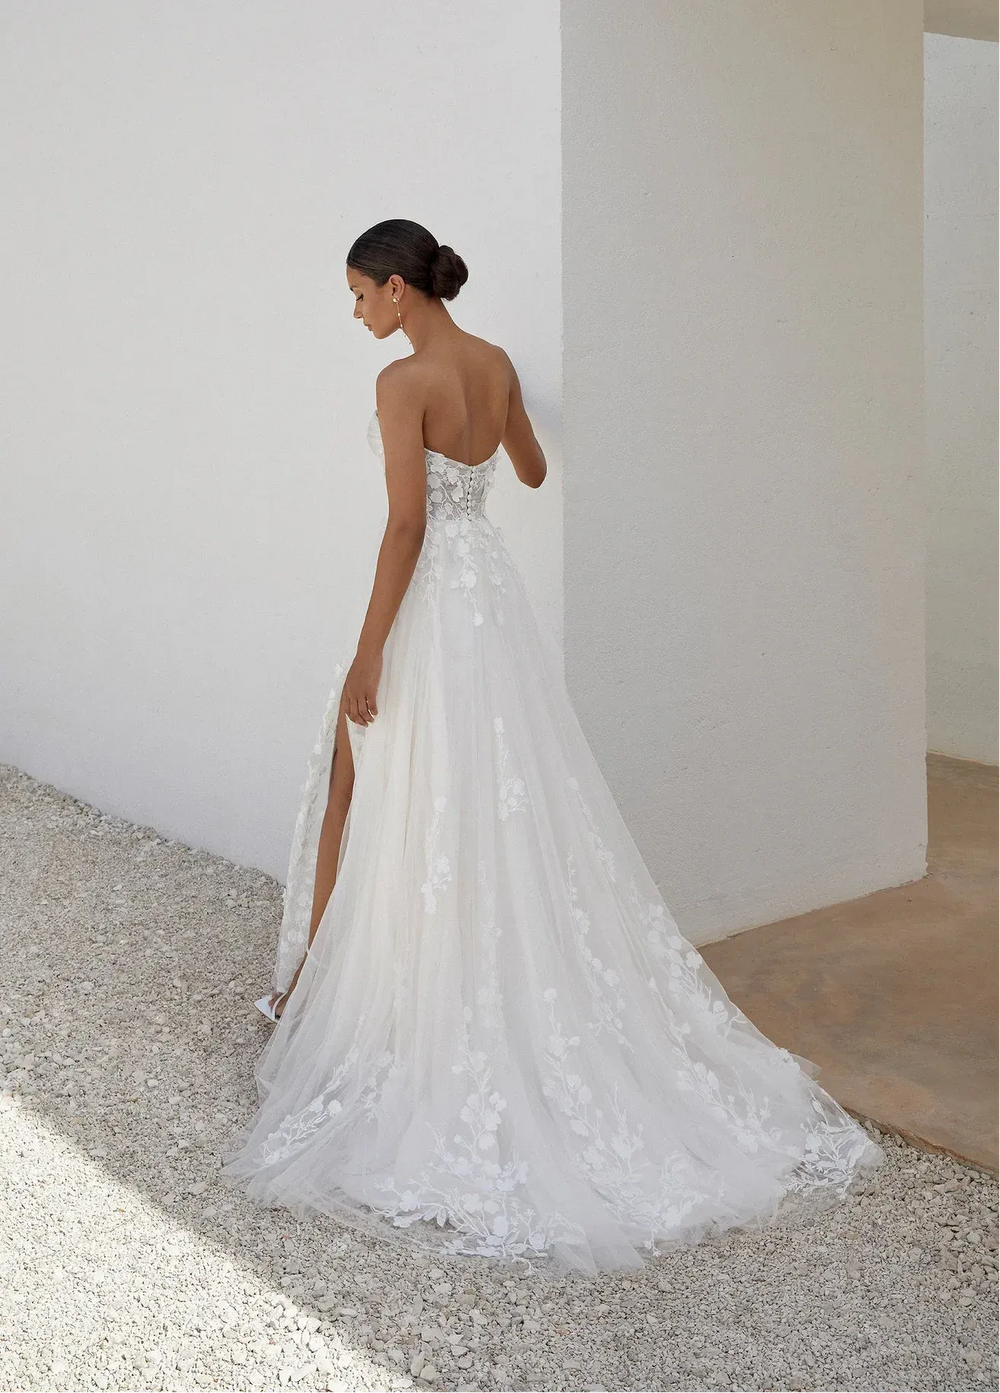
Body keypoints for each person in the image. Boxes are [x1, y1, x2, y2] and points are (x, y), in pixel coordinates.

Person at [219, 219, 883, 1277]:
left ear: (396, 289)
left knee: (360, 775)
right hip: (494, 604)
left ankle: (313, 994)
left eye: (357, 294)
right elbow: (525, 471)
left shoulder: (403, 384)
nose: (355, 314)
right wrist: (489, 454)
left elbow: (404, 528)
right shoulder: (491, 365)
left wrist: (366, 649)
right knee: (489, 788)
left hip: (433, 601)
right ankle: (331, 980)